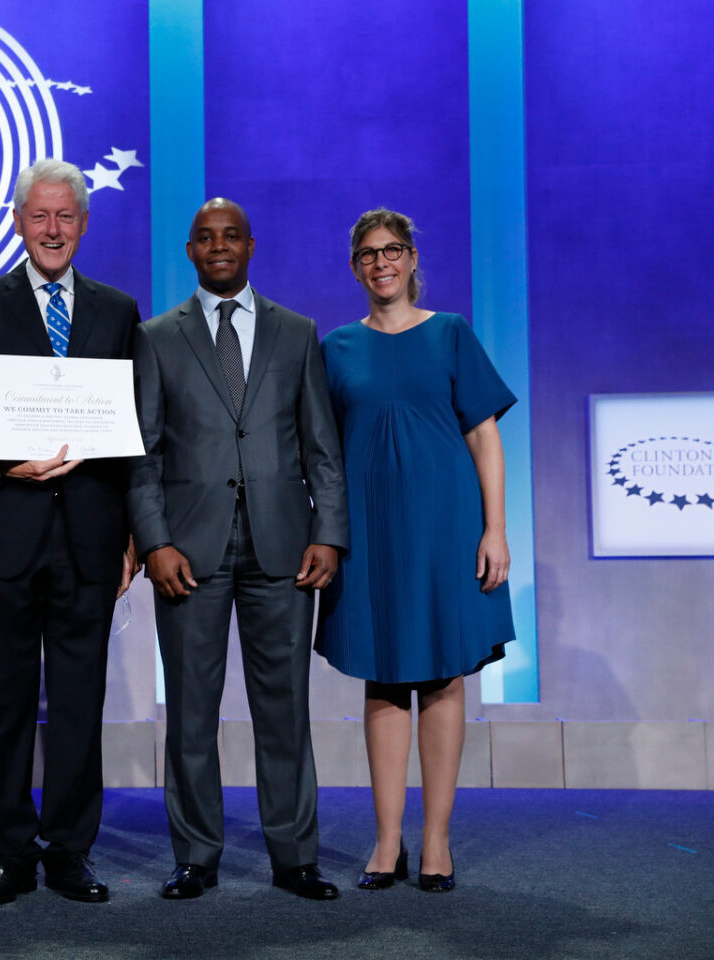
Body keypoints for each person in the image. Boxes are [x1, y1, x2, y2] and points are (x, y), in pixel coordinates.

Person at [0, 158, 140, 906]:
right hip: (4, 533)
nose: (53, 230)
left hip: (89, 538)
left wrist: (134, 536)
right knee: (9, 706)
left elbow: (134, 430)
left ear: (83, 224)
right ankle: (11, 855)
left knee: (80, 706)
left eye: (66, 217)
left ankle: (71, 852)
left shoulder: (117, 311)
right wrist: (3, 462)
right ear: (18, 223)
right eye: (40, 217)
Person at [128, 198, 348, 901]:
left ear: (250, 246)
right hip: (188, 552)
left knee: (284, 709)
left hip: (284, 547)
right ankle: (196, 855)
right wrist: (153, 541)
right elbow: (143, 455)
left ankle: (295, 857)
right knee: (191, 709)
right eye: (205, 238)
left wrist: (330, 532)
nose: (219, 247)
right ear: (189, 251)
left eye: (231, 237)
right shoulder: (158, 336)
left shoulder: (297, 332)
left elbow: (323, 448)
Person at [317, 208, 515, 894]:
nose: (381, 263)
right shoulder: (336, 347)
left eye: (392, 250)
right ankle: (385, 843)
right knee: (382, 676)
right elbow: (319, 450)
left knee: (441, 676)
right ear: (355, 267)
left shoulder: (451, 332)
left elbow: (485, 435)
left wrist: (495, 528)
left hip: (447, 524)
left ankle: (435, 843)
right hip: (369, 531)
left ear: (410, 258)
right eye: (368, 253)